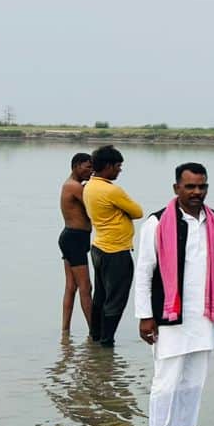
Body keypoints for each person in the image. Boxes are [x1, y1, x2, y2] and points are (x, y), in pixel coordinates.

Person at [134, 163, 214, 426]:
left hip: (203, 316)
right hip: (170, 316)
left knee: (194, 384)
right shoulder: (157, 223)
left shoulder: (213, 220)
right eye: (190, 186)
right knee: (166, 384)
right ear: (177, 188)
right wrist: (145, 316)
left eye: (202, 186)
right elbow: (144, 272)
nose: (197, 192)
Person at [83, 145, 144, 345]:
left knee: (100, 297)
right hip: (116, 250)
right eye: (118, 166)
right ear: (108, 166)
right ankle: (107, 342)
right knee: (116, 299)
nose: (119, 170)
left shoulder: (90, 185)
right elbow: (137, 212)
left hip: (99, 247)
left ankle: (95, 336)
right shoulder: (111, 190)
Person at [58, 152, 93, 333]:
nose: (91, 171)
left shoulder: (75, 185)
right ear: (76, 166)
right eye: (87, 167)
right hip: (74, 238)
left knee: (71, 286)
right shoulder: (74, 187)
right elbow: (93, 206)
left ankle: (65, 332)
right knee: (86, 287)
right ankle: (95, 333)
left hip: (74, 237)